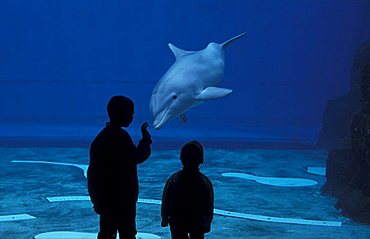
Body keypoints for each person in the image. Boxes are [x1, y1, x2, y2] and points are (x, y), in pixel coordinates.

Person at [87, 95, 152, 239]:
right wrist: (146, 140)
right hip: (124, 200)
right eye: (130, 113)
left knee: (106, 232)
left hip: (106, 201)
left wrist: (96, 199)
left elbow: (92, 174)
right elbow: (137, 157)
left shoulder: (100, 139)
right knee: (127, 233)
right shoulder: (122, 138)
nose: (132, 116)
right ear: (121, 114)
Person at [161, 140, 214, 239]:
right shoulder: (204, 181)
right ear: (201, 160)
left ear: (181, 158)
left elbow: (166, 199)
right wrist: (208, 221)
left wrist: (164, 217)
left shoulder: (174, 179)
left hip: (177, 221)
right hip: (197, 221)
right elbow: (209, 204)